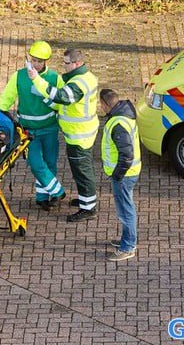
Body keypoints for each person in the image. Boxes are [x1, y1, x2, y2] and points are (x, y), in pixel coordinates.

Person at [30, 49, 99, 222]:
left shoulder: (78, 83)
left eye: (67, 63)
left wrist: (37, 81)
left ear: (77, 63)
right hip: (81, 133)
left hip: (80, 136)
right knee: (81, 170)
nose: (64, 66)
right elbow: (63, 103)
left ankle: (88, 208)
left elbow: (62, 97)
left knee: (83, 172)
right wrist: (46, 98)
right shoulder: (86, 77)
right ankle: (85, 200)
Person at [0, 41, 66, 211]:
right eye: (33, 60)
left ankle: (43, 198)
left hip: (50, 129)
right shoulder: (19, 76)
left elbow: (61, 105)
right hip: (28, 131)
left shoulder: (55, 78)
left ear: (46, 61)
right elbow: (5, 100)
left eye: (39, 61)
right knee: (35, 164)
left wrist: (45, 97)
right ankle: (57, 191)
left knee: (50, 163)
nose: (35, 64)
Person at [99, 89, 141, 261]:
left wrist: (117, 174)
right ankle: (127, 240)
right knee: (126, 208)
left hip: (124, 175)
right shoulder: (124, 116)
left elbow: (126, 155)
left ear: (104, 104)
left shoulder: (118, 124)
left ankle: (128, 247)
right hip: (128, 173)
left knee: (125, 211)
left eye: (100, 103)